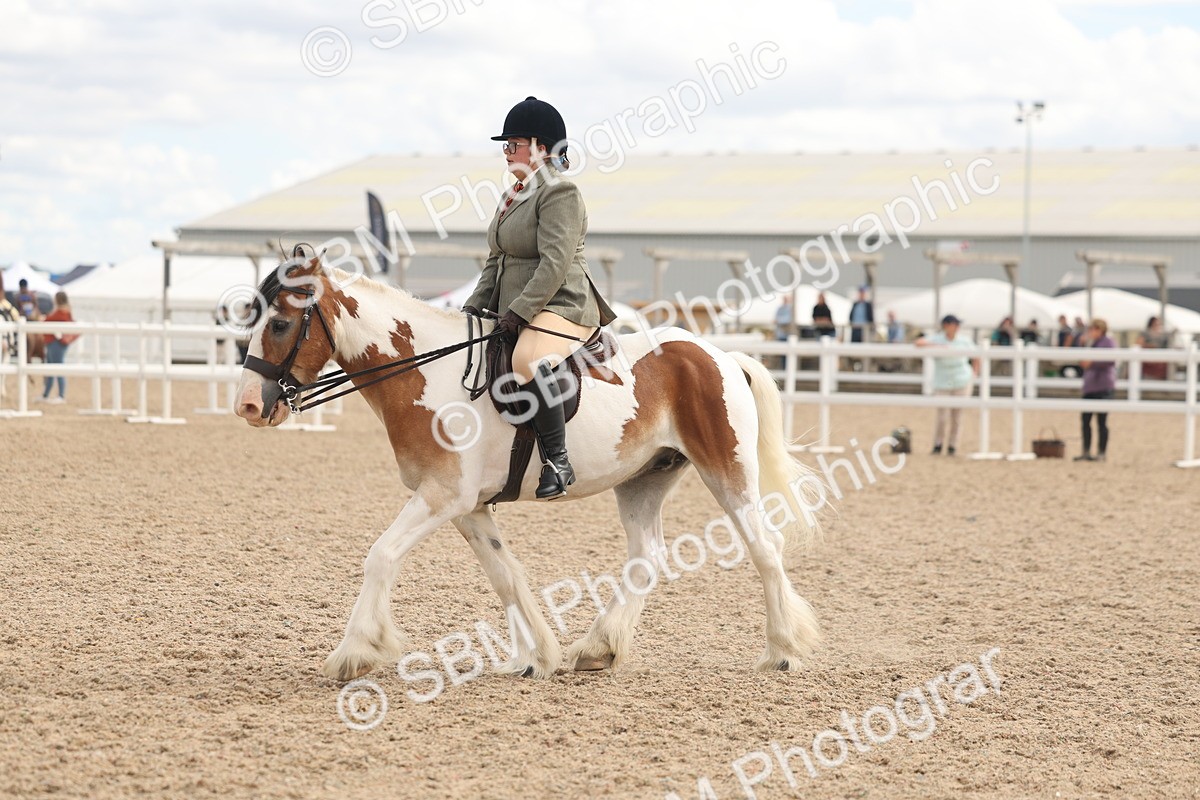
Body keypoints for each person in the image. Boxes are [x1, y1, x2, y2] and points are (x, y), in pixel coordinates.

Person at [463, 96, 617, 500]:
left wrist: (519, 312)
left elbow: (554, 263)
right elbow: (496, 260)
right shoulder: (512, 195)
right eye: (505, 147)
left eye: (514, 145)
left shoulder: (560, 192)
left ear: (542, 147)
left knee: (528, 360)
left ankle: (558, 461)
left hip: (563, 302)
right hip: (522, 306)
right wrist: (472, 308)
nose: (507, 153)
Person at [915, 314, 978, 456]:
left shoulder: (964, 340)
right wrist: (938, 346)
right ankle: (938, 443)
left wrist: (974, 374)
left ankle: (952, 445)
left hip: (961, 379)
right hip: (943, 380)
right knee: (942, 416)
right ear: (947, 325)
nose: (957, 327)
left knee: (957, 416)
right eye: (955, 324)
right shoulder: (937, 338)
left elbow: (976, 356)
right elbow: (918, 343)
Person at [1074, 318, 1116, 462]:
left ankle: (1101, 452)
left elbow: (1109, 360)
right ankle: (1086, 451)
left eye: (1093, 329)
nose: (1090, 332)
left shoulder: (1108, 342)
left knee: (1101, 421)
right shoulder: (1092, 344)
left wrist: (1091, 363)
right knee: (1085, 420)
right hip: (1091, 385)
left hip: (1103, 385)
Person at [40, 291, 78, 404]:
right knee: (52, 368)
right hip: (57, 343)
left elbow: (47, 321)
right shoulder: (67, 311)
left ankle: (60, 395)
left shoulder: (60, 312)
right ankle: (47, 394)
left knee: (57, 368)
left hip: (55, 343)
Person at [1136, 315, 1170, 381]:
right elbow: (1138, 343)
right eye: (1156, 323)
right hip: (1147, 358)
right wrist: (1150, 346)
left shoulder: (1163, 335)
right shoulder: (1145, 333)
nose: (1157, 325)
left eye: (1158, 324)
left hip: (1159, 359)